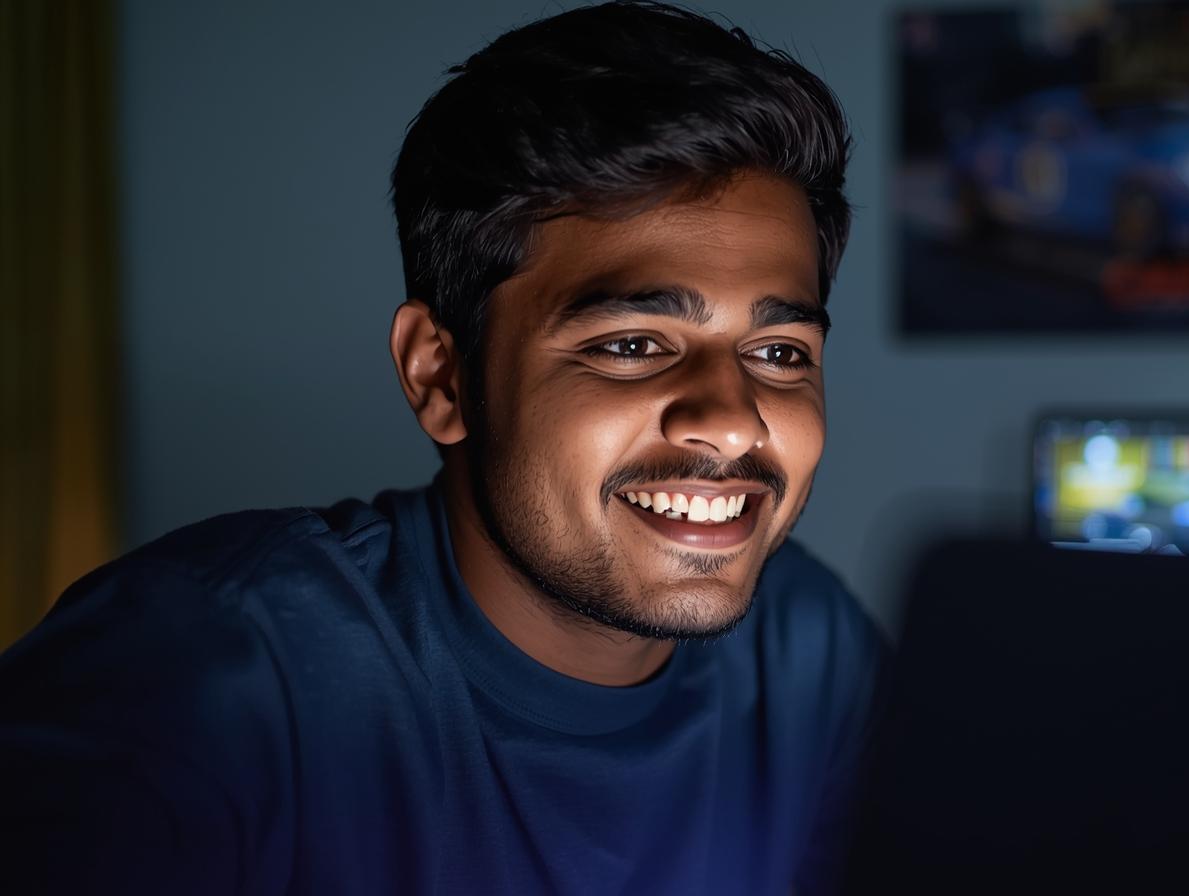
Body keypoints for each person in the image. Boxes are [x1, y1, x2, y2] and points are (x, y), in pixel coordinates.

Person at [0, 3, 885, 893]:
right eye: (630, 345)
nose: (732, 421)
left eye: (779, 353)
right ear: (441, 376)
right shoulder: (192, 673)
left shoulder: (809, 650)